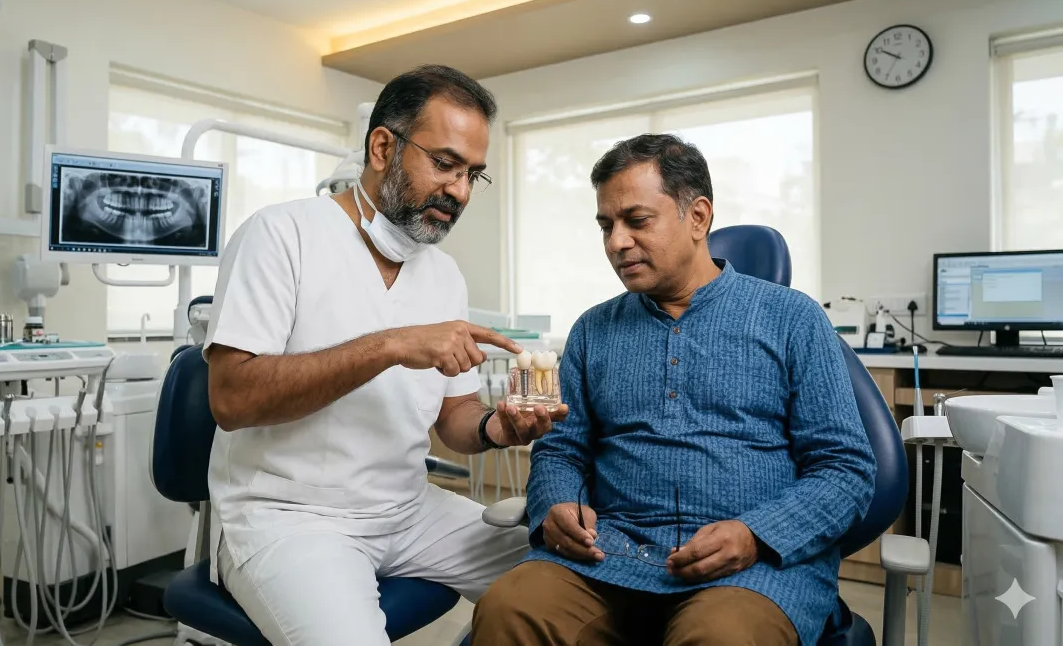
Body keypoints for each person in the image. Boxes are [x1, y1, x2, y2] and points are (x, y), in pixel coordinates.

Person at [202, 65, 567, 645]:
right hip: (289, 518)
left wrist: (500, 427)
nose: (460, 191)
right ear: (381, 147)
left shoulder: (443, 275)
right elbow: (232, 399)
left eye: (474, 174)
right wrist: (392, 344)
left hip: (409, 510)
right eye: (445, 164)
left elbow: (454, 421)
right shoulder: (281, 235)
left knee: (571, 582)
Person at [472, 134, 877, 646]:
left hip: (751, 569)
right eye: (606, 225)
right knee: (509, 609)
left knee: (722, 637)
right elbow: (560, 450)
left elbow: (845, 469)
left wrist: (756, 535)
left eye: (637, 221)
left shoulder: (793, 319)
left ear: (698, 218)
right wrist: (555, 505)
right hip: (608, 555)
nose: (616, 242)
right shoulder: (592, 330)